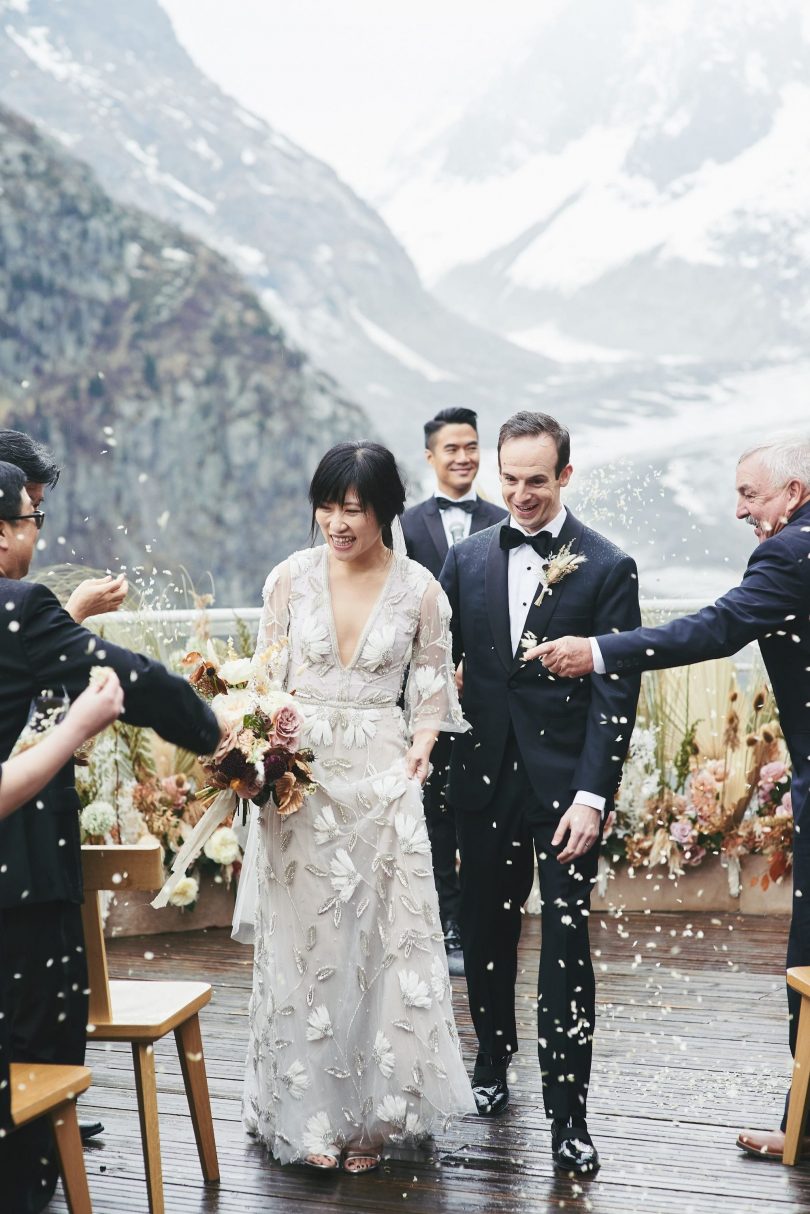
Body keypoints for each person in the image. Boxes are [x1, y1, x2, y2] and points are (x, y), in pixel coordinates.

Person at [530, 434, 810, 1162]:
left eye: (751, 494)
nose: (740, 508)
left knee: (808, 971)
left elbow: (715, 629)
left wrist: (597, 651)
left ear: (794, 494)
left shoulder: (787, 555)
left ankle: (804, 1128)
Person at [233, 441, 475, 1174]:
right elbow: (262, 681)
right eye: (329, 507)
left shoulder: (422, 590)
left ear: (385, 512)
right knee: (303, 947)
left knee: (378, 943)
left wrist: (422, 748)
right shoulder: (288, 579)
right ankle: (306, 1110)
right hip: (299, 780)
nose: (338, 523)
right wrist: (258, 748)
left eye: (355, 509)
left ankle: (375, 1115)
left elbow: (432, 692)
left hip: (380, 778)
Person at [0, 461, 222, 1212]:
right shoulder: (22, 606)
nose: (36, 534)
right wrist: (211, 729)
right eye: (31, 522)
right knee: (36, 1075)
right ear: (3, 535)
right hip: (23, 888)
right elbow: (133, 680)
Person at [439, 411, 641, 1175]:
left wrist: (593, 796)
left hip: (565, 795)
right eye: (510, 479)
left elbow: (616, 695)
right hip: (482, 782)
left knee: (565, 944)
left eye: (536, 480)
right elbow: (442, 667)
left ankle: (570, 1115)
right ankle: (492, 1061)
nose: (520, 495)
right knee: (487, 936)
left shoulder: (607, 566)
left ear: (565, 476)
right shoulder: (465, 560)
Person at [0, 667, 123, 1166]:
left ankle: (53, 1111)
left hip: (41, 834)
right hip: (25, 845)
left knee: (47, 1004)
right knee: (40, 1008)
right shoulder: (25, 612)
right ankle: (37, 1133)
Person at [402, 407, 506, 972]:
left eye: (471, 447)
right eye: (452, 449)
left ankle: (486, 917)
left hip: (490, 693)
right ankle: (447, 920)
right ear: (431, 457)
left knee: (485, 805)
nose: (463, 457)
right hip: (424, 694)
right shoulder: (408, 523)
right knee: (434, 807)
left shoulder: (506, 516)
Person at [0, 429, 129, 625]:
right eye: (29, 505)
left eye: (37, 507)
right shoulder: (24, 599)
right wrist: (75, 612)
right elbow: (26, 652)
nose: (34, 524)